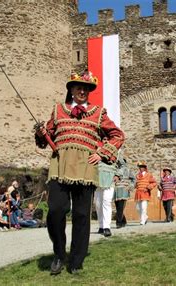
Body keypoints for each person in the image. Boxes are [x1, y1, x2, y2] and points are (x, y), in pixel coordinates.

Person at [34, 69, 124, 275]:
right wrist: (41, 134)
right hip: (60, 168)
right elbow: (43, 140)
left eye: (86, 88)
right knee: (56, 211)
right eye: (78, 87)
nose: (82, 91)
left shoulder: (99, 113)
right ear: (71, 90)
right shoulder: (57, 111)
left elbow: (118, 135)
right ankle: (59, 253)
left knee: (82, 216)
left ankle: (76, 261)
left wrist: (101, 153)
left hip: (85, 169)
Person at [94, 147, 117, 237]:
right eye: (103, 139)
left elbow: (122, 165)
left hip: (109, 179)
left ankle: (107, 227)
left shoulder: (115, 151)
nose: (105, 140)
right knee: (98, 204)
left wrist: (118, 175)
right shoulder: (95, 150)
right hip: (97, 180)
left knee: (106, 202)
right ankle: (101, 225)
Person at [113, 157, 135, 228]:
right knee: (118, 207)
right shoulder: (115, 169)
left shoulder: (128, 170)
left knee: (121, 206)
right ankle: (123, 220)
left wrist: (130, 186)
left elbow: (133, 179)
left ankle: (118, 223)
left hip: (124, 190)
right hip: (116, 190)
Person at [133, 161, 157, 225]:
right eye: (140, 167)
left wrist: (148, 187)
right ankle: (145, 217)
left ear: (144, 168)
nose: (140, 168)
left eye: (142, 167)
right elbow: (136, 184)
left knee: (143, 207)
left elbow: (154, 182)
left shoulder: (149, 175)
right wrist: (134, 185)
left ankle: (142, 221)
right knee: (138, 208)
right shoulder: (137, 175)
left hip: (145, 192)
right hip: (138, 193)